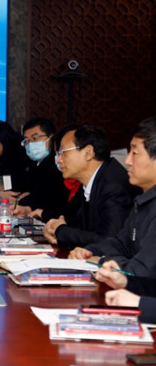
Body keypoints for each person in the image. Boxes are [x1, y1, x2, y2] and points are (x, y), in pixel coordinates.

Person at [69, 116, 156, 277]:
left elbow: (144, 270)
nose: (128, 161)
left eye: (135, 153)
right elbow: (121, 243)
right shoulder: (144, 201)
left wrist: (101, 260)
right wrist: (90, 251)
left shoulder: (115, 186)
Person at [42, 125, 139, 248]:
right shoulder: (94, 180)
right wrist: (56, 227)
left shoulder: (114, 186)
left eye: (63, 153)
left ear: (88, 153)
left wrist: (61, 231)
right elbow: (83, 226)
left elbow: (109, 240)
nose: (58, 160)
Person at [13, 117, 69, 217]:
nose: (30, 144)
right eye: (27, 141)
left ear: (51, 138)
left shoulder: (57, 164)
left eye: (35, 138)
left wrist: (26, 201)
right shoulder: (34, 163)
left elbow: (50, 199)